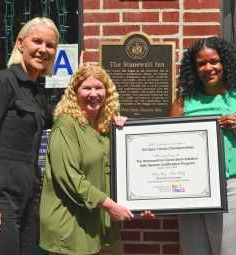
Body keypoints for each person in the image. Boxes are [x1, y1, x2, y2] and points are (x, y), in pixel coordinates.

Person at [39, 64, 153, 255]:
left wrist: (141, 203)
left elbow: (122, 170)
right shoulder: (66, 125)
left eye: (99, 88)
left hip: (104, 226)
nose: (94, 94)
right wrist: (110, 205)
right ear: (75, 93)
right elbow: (69, 178)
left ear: (107, 92)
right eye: (87, 88)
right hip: (73, 226)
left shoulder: (107, 127)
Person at [170, 37, 236, 255]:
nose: (208, 68)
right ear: (194, 69)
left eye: (214, 61)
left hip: (230, 187)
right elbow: (170, 148)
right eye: (201, 64)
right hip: (192, 189)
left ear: (225, 63)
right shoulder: (182, 103)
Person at [0, 17, 59, 255]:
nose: (43, 49)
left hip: (30, 200)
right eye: (37, 41)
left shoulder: (37, 96)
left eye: (50, 45)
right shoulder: (1, 83)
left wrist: (111, 118)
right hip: (1, 200)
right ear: (21, 43)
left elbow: (67, 120)